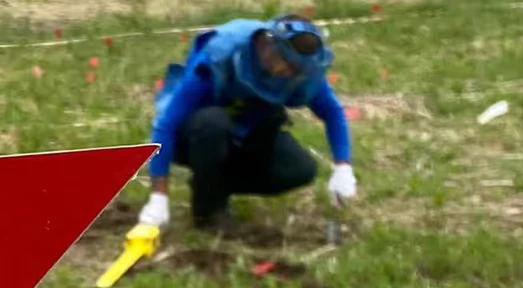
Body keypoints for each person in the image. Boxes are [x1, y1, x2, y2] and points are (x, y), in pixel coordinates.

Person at [136, 14, 357, 234]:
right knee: (213, 122)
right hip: (194, 135)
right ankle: (207, 211)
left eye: (296, 70)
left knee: (300, 169)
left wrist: (342, 165)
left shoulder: (300, 72)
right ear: (269, 46)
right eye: (287, 66)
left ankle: (213, 184)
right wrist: (158, 196)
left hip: (247, 133)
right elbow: (166, 125)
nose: (289, 74)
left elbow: (332, 112)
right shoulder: (222, 55)